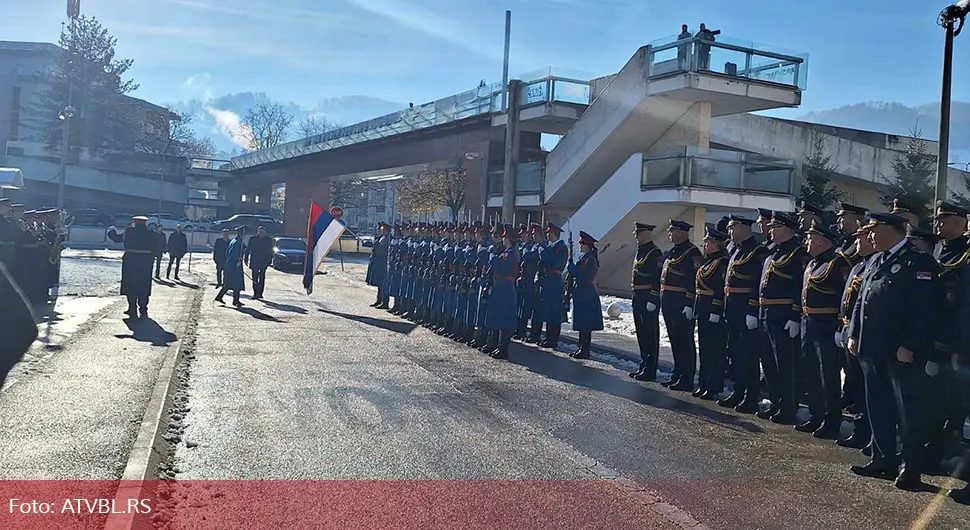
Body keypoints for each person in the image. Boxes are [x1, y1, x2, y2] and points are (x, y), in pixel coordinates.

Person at [847, 213, 938, 490]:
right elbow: (862, 301)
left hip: (899, 352)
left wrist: (909, 345)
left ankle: (910, 468)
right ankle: (882, 458)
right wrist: (854, 334)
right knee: (878, 406)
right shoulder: (876, 259)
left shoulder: (918, 261)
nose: (870, 237)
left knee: (907, 411)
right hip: (871, 347)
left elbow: (923, 311)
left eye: (874, 231)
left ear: (890, 230)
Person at [923, 201, 970, 471]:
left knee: (954, 402)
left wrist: (957, 347)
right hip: (936, 336)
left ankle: (949, 452)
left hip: (957, 340)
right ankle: (935, 452)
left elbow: (962, 306)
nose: (938, 224)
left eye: (944, 220)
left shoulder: (965, 251)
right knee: (936, 401)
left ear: (959, 222)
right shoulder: (941, 248)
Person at [797, 222, 851, 438]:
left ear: (821, 240)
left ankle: (832, 420)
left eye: (810, 238)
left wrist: (841, 325)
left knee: (828, 375)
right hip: (808, 322)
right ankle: (816, 414)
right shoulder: (813, 263)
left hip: (827, 324)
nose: (807, 242)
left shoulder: (837, 264)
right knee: (811, 372)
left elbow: (845, 297)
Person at [758, 212, 809, 424]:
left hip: (783, 314)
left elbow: (801, 285)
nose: (771, 231)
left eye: (775, 227)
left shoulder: (798, 253)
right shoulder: (773, 252)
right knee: (769, 362)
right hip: (766, 313)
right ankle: (776, 401)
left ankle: (789, 406)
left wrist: (795, 314)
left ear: (786, 229)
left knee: (785, 364)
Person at [717, 215, 770, 412]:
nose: (729, 232)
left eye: (732, 228)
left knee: (749, 355)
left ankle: (751, 395)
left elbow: (758, 282)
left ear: (743, 227)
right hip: (731, 307)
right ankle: (739, 391)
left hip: (745, 309)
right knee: (735, 353)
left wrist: (751, 309)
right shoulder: (733, 249)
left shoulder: (757, 251)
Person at [836, 222, 876, 450]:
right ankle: (861, 431)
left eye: (860, 240)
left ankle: (871, 435)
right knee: (857, 387)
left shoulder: (874, 264)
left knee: (869, 389)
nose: (857, 243)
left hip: (863, 334)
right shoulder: (858, 266)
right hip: (849, 330)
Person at [660, 219, 702, 391]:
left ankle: (687, 377)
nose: (669, 234)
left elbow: (694, 279)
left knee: (685, 341)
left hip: (681, 302)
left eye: (671, 231)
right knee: (675, 340)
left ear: (680, 233)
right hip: (669, 300)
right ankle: (677, 373)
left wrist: (689, 302)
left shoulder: (692, 253)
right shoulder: (673, 251)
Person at [693, 227, 728, 399]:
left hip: (713, 308)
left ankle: (714, 385)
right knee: (705, 349)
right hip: (703, 307)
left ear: (716, 245)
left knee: (715, 350)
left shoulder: (722, 262)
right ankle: (704, 382)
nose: (705, 246)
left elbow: (720, 288)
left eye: (708, 243)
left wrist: (716, 308)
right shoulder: (708, 261)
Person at [106, 216, 158, 319]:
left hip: (131, 260)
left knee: (131, 285)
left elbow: (116, 239)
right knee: (144, 285)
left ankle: (132, 308)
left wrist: (111, 231)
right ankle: (143, 309)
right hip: (145, 262)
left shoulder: (129, 231)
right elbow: (156, 247)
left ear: (135, 222)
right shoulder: (152, 233)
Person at [630, 222, 663, 381]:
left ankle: (650, 369)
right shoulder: (641, 251)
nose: (636, 236)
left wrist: (653, 297)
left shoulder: (654, 252)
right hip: (638, 296)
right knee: (642, 334)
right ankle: (644, 364)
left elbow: (657, 278)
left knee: (650, 334)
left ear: (647, 234)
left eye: (639, 233)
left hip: (647, 297)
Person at [567, 231, 604, 360]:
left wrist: (572, 268)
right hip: (582, 292)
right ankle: (581, 347)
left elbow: (582, 275)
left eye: (581, 243)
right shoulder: (584, 258)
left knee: (586, 323)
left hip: (587, 292)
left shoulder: (590, 260)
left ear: (586, 244)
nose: (579, 245)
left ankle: (585, 349)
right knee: (582, 322)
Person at [537, 222, 568, 349]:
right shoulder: (551, 247)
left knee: (555, 312)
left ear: (554, 234)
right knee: (548, 311)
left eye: (549, 233)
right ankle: (548, 337)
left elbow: (554, 262)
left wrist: (543, 253)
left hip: (555, 281)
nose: (547, 235)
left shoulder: (561, 248)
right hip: (548, 281)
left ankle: (553, 339)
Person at [516, 223, 542, 343]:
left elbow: (529, 257)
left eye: (534, 234)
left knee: (529, 309)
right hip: (524, 279)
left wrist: (525, 249)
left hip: (532, 281)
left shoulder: (533, 247)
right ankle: (519, 330)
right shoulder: (526, 246)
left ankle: (529, 332)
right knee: (521, 307)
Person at [216, 226, 247, 307]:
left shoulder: (235, 240)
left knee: (236, 283)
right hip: (234, 265)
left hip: (231, 264)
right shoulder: (237, 242)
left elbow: (228, 251)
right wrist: (237, 260)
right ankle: (220, 297)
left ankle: (235, 300)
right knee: (232, 283)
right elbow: (231, 253)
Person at [246, 226, 274, 300]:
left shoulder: (268, 240)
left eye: (263, 232)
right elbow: (248, 249)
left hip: (263, 262)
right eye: (260, 232)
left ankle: (260, 293)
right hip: (254, 261)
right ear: (257, 232)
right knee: (255, 278)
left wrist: (269, 261)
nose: (261, 233)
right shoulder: (253, 239)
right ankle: (255, 293)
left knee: (262, 277)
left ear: (265, 233)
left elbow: (271, 251)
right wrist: (246, 259)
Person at [367, 222, 391, 308]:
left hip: (383, 262)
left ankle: (385, 302)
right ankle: (379, 300)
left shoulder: (388, 238)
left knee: (383, 284)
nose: (380, 230)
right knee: (379, 284)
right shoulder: (381, 238)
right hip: (378, 262)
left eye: (382, 229)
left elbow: (384, 249)